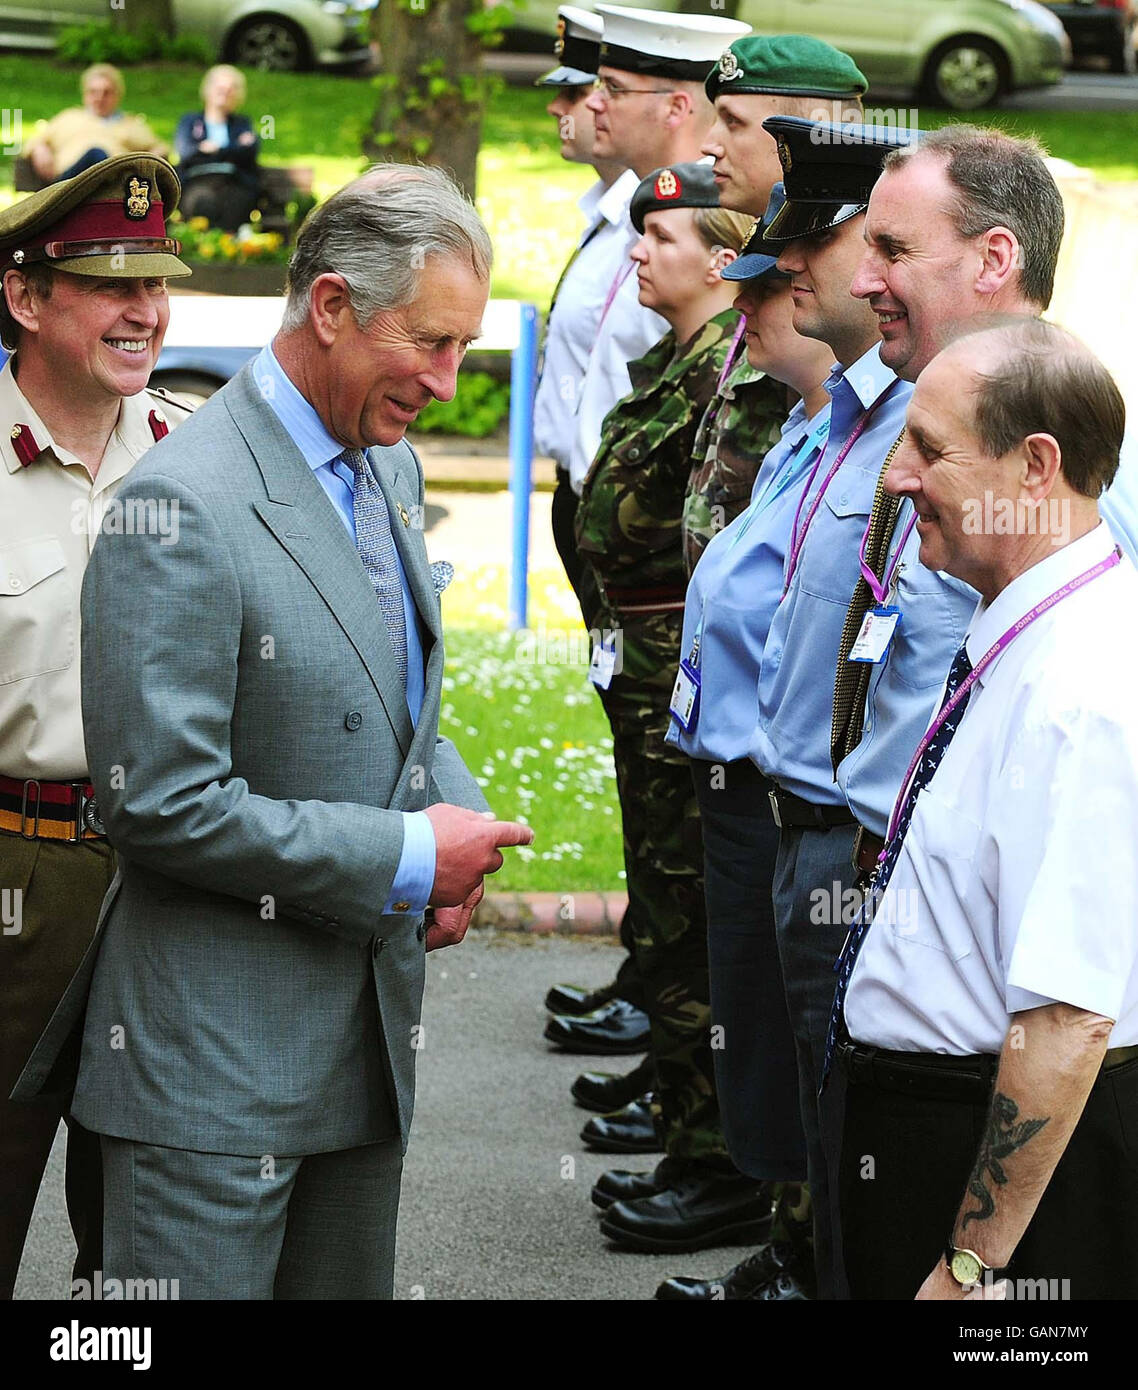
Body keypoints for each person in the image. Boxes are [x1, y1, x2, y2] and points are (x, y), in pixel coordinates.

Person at [12, 165, 533, 1300]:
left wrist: (461, 828)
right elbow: (156, 801)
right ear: (334, 307)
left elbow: (397, 695)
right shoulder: (185, 499)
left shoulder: (382, 460)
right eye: (431, 345)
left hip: (357, 1046)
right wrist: (403, 857)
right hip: (209, 1077)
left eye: (464, 347)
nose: (449, 384)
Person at [836, 318, 1138, 1301]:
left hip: (991, 1179)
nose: (896, 477)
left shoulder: (1083, 687)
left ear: (1033, 466)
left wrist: (970, 1266)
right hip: (933, 1133)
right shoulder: (1032, 627)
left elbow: (1062, 1017)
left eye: (929, 448)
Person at [0, 154, 192, 1300]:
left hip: (171, 877)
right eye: (112, 282)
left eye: (156, 280)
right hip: (16, 866)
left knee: (141, 1238)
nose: (146, 310)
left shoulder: (198, 459)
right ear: (25, 297)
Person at [575, 161, 768, 1256]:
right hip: (647, 661)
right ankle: (687, 1122)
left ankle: (715, 1162)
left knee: (693, 918)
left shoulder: (736, 375)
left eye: (664, 236)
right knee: (667, 903)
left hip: (676, 666)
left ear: (719, 253)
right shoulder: (693, 362)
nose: (639, 250)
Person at [657, 199, 837, 1302]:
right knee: (764, 1049)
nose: (751, 303)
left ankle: (807, 1259)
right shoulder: (811, 425)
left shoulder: (869, 429)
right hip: (745, 788)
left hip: (795, 797)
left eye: (773, 288)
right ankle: (788, 1249)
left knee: (810, 1057)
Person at [565, 3, 749, 499]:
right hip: (593, 502)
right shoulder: (628, 206)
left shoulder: (708, 228)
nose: (594, 104)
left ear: (676, 108)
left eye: (614, 89)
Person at [24, 65, 165, 185]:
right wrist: (40, 148)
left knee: (103, 160)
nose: (99, 98)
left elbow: (160, 148)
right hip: (68, 185)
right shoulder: (69, 117)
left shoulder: (130, 124)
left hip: (116, 183)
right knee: (96, 154)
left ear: (117, 95)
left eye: (106, 93)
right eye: (93, 92)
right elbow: (33, 141)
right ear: (85, 94)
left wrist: (147, 164)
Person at [174, 65, 260, 233]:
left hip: (234, 183)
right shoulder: (190, 121)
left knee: (237, 201)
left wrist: (214, 150)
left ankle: (224, 249)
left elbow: (250, 151)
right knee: (202, 201)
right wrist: (233, 149)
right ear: (208, 90)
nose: (226, 93)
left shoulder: (242, 123)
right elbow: (186, 152)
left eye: (231, 89)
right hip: (197, 183)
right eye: (221, 88)